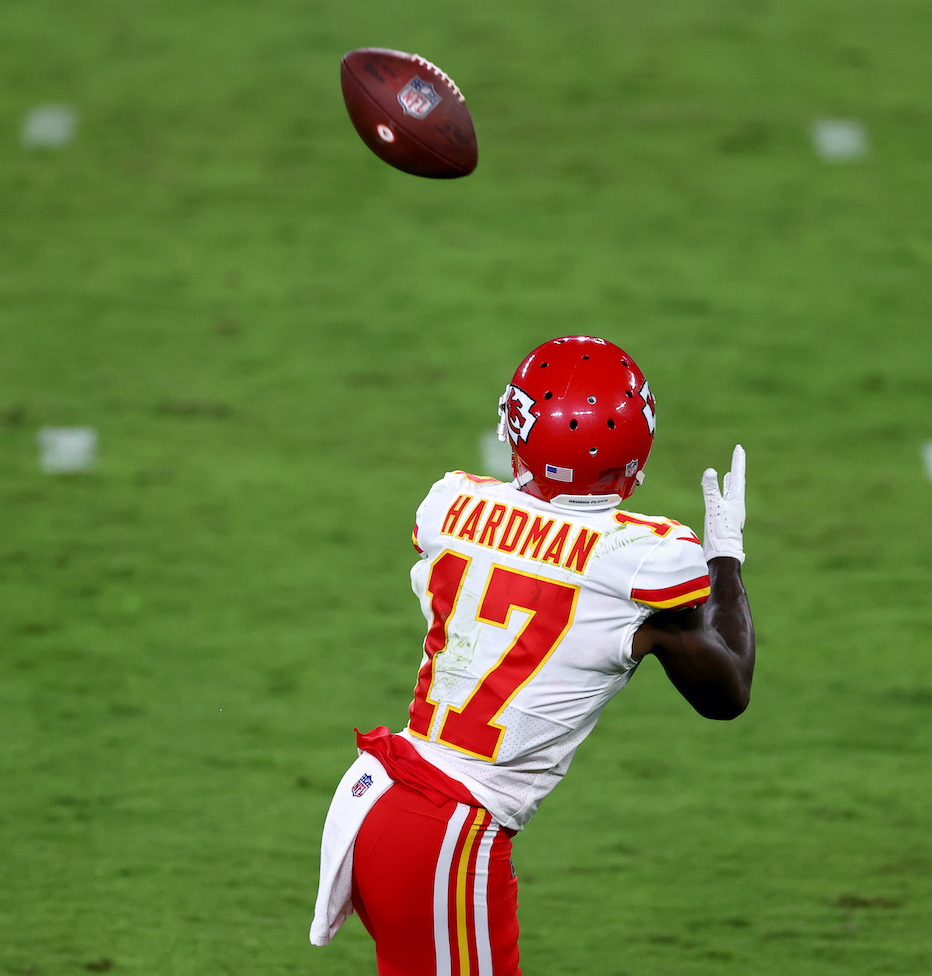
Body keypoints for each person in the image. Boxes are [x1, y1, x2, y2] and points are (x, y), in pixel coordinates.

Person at [311, 335, 755, 975]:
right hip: (449, 827)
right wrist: (726, 559)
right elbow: (727, 692)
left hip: (381, 798)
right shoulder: (643, 560)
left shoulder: (453, 504)